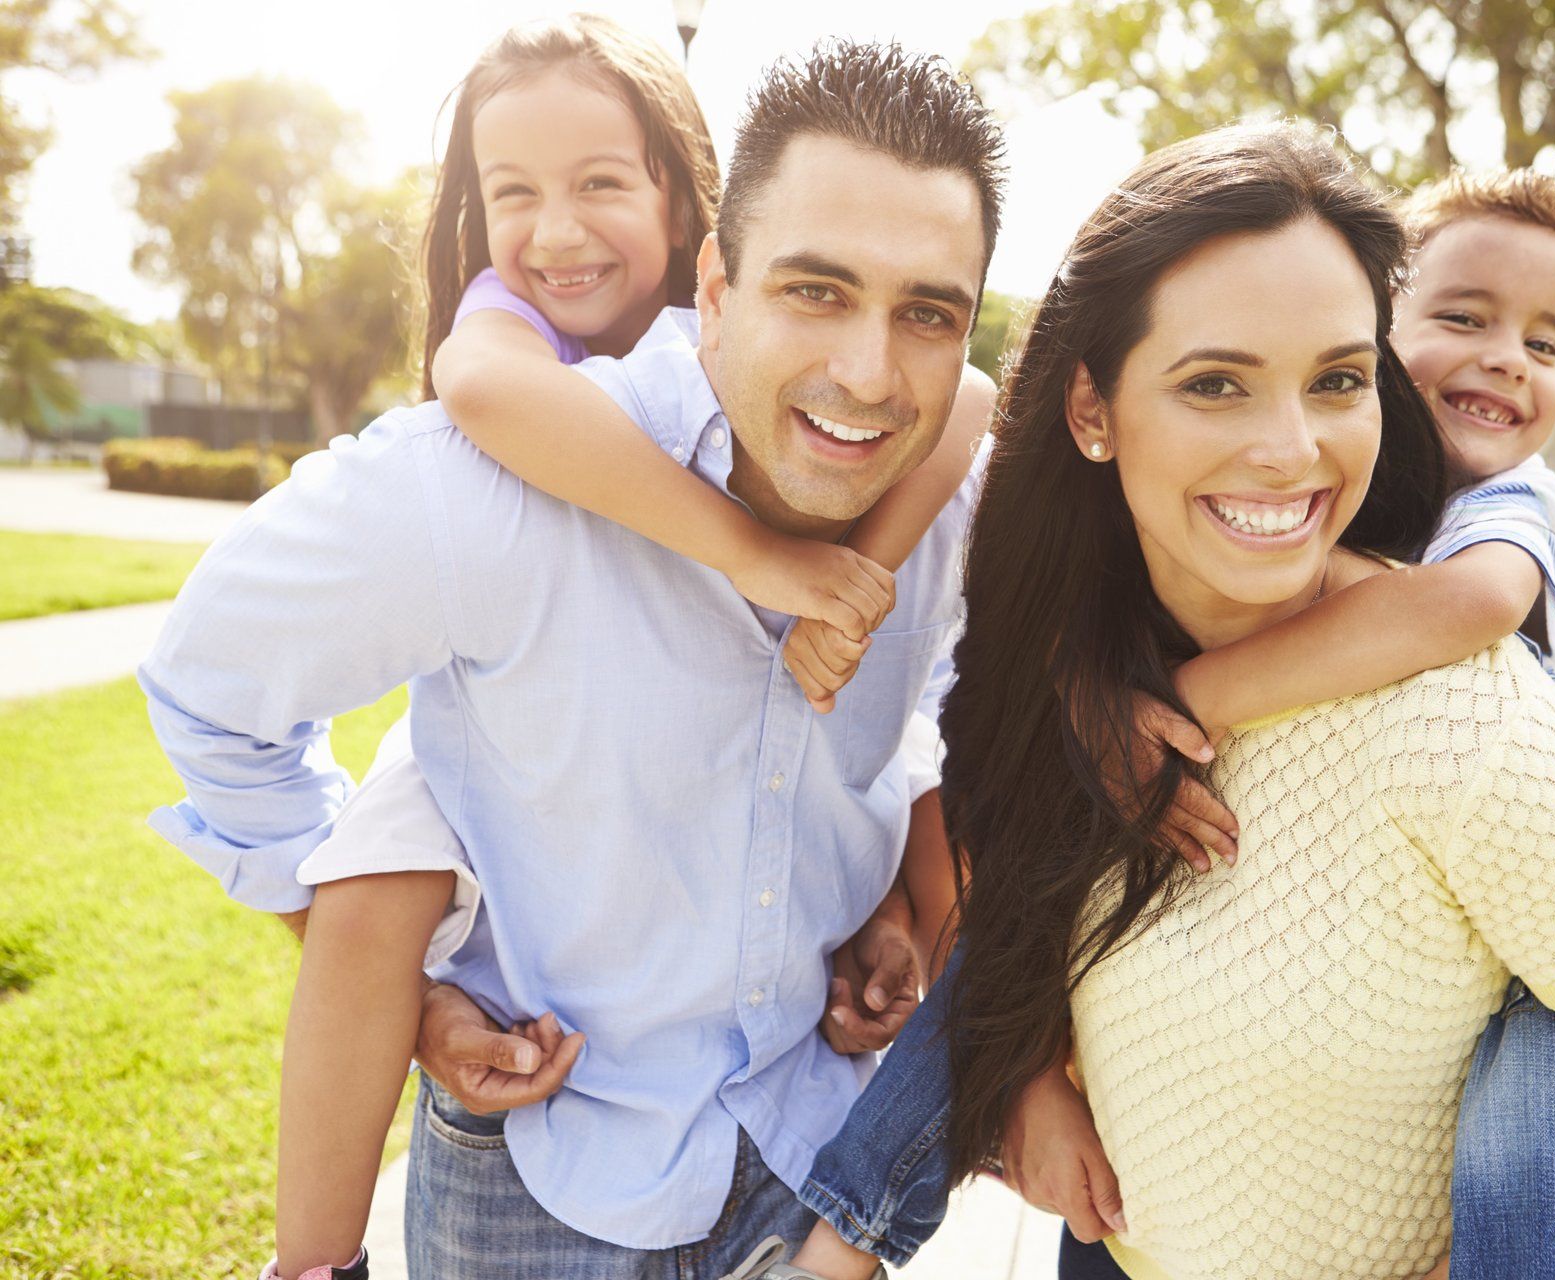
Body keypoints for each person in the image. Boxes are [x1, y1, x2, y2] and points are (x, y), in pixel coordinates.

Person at [139, 38, 1005, 1280]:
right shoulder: (479, 485)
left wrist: (874, 896)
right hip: (535, 1187)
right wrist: (410, 983)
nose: (871, 369)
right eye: (815, 289)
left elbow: (925, 694)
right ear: (715, 283)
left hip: (815, 1151)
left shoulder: (950, 484)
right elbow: (206, 691)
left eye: (926, 309)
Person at [725, 170, 1555, 1280]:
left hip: (1531, 940)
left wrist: (1185, 706)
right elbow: (1013, 879)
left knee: (1546, 1105)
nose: (1507, 358)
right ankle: (842, 1243)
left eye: (1546, 343)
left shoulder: (1502, 545)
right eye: (1463, 318)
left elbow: (1476, 603)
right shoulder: (1110, 612)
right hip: (1127, 1240)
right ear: (1093, 409)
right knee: (986, 973)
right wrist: (1034, 1078)